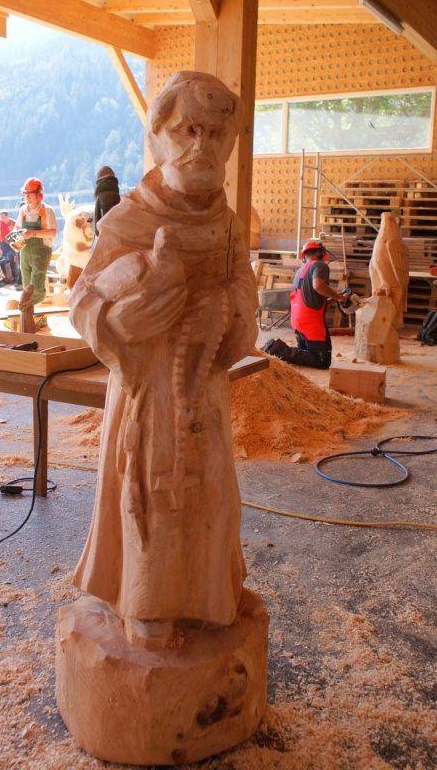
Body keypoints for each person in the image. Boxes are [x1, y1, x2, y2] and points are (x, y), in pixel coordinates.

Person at [68, 72, 258, 630]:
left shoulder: (228, 226)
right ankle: (145, 604)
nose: (202, 146)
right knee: (151, 498)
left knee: (212, 494)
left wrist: (231, 307)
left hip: (206, 390)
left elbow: (246, 289)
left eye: (215, 134)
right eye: (187, 130)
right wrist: (116, 320)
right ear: (157, 138)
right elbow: (83, 298)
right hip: (146, 393)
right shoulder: (129, 218)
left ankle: (208, 599)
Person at [261, 239, 349, 369]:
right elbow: (318, 285)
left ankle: (281, 350)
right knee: (322, 360)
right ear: (320, 253)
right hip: (311, 322)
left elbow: (314, 300)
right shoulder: (320, 266)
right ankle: (278, 349)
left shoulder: (300, 271)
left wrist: (336, 299)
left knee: (306, 353)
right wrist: (339, 297)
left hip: (298, 320)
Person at [15, 178, 57, 305]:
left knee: (37, 287)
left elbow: (52, 232)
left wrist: (32, 233)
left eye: (30, 194)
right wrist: (16, 239)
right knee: (26, 286)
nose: (27, 197)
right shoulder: (23, 211)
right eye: (25, 194)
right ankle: (29, 311)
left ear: (39, 195)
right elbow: (17, 228)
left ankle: (35, 311)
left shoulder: (47, 210)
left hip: (41, 252)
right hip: (24, 251)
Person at [91, 166, 120, 253]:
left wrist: (91, 221)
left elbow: (97, 228)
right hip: (117, 242)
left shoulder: (100, 196)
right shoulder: (118, 196)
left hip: (104, 244)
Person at [0, 210, 20, 286]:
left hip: (12, 243)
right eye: (1, 217)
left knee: (13, 260)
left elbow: (18, 234)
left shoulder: (14, 223)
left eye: (3, 217)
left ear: (7, 216)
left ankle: (15, 279)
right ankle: (2, 279)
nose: (2, 219)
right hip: (2, 243)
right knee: (2, 261)